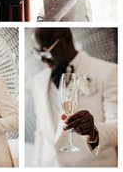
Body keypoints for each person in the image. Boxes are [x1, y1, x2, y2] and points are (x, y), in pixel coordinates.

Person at [31, 28, 117, 166]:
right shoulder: (38, 81)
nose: (42, 58)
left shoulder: (109, 71)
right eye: (37, 52)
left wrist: (93, 132)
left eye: (46, 50)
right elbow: (41, 132)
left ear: (67, 39)